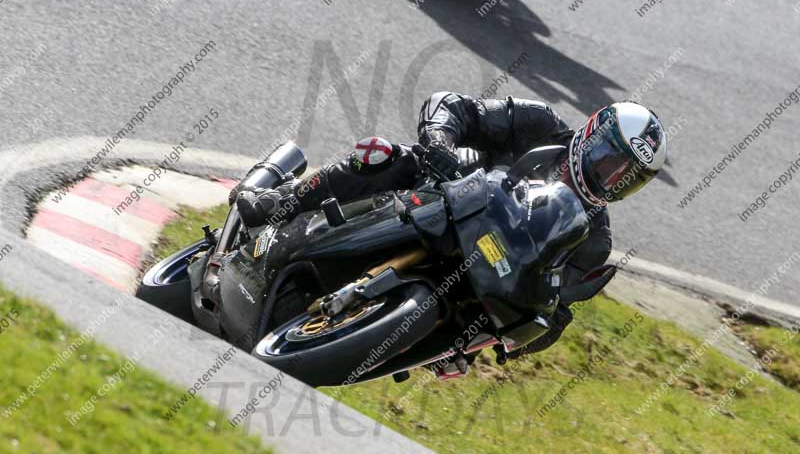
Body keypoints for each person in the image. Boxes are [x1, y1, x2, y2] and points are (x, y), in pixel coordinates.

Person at [236, 92, 667, 360]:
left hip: (479, 280)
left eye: (627, 179)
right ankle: (280, 199)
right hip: (442, 198)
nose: (612, 179)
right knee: (384, 155)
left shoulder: (593, 239)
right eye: (611, 162)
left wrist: (496, 342)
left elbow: (550, 315)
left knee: (462, 345)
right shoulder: (540, 125)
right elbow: (454, 106)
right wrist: (439, 142)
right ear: (592, 135)